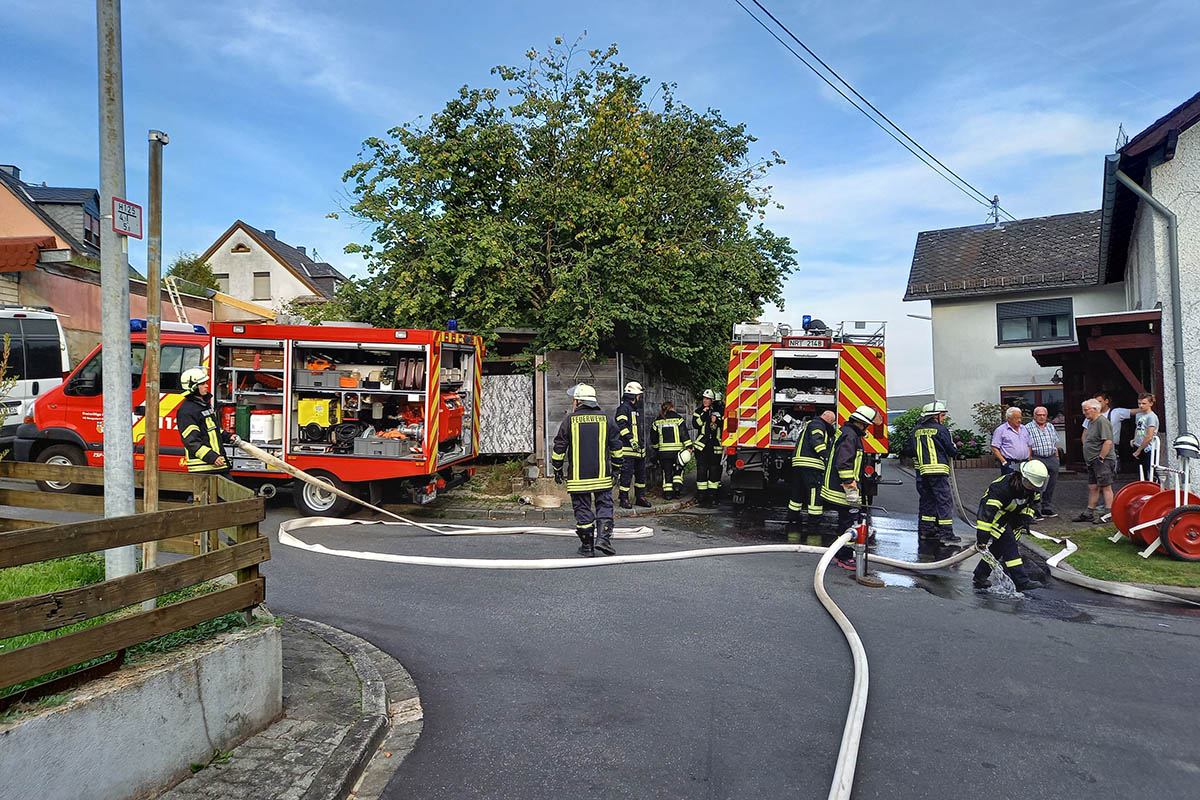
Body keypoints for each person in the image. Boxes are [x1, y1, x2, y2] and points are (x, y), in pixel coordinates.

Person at [552, 384, 625, 556]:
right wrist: (617, 468)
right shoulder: (607, 419)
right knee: (605, 505)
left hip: (578, 478)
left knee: (582, 509)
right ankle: (603, 540)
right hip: (602, 477)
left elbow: (559, 448)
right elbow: (617, 447)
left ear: (578, 401)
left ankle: (587, 547)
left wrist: (557, 469)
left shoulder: (569, 420)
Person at [973, 460, 1049, 592]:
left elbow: (1034, 504)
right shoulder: (1001, 488)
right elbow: (987, 514)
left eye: (1034, 485)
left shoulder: (1033, 488)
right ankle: (1021, 581)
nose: (1031, 487)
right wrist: (982, 537)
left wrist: (1026, 516)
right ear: (1021, 476)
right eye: (1029, 483)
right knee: (1010, 545)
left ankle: (980, 575)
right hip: (997, 517)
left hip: (1012, 518)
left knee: (998, 549)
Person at [820, 405, 879, 569]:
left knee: (847, 523)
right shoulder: (850, 436)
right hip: (842, 491)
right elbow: (844, 463)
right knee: (848, 524)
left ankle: (843, 554)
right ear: (863, 423)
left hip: (840, 489)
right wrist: (850, 489)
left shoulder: (847, 432)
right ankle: (844, 557)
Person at [909, 400, 961, 544]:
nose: (944, 419)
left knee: (927, 501)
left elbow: (910, 450)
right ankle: (946, 533)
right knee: (944, 501)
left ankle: (927, 530)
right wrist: (955, 448)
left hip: (922, 473)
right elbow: (951, 450)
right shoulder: (941, 430)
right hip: (938, 472)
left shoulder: (915, 431)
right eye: (942, 415)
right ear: (935, 416)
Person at [177, 367, 239, 475]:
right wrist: (211, 456)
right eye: (202, 384)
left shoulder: (203, 405)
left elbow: (211, 430)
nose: (206, 386)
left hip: (217, 466)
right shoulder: (187, 411)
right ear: (193, 387)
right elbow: (191, 441)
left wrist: (227, 436)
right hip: (204, 468)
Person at [787, 409, 835, 542]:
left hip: (799, 463)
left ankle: (793, 517)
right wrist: (826, 456)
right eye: (832, 422)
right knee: (814, 492)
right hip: (811, 464)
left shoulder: (811, 424)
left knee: (797, 491)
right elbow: (816, 440)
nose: (832, 424)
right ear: (827, 418)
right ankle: (813, 522)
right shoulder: (818, 424)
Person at [1074, 399, 1115, 524]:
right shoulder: (1091, 422)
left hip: (1102, 460)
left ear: (1095, 409)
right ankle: (1089, 512)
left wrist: (1101, 457)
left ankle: (1109, 513)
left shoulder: (1102, 421)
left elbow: (1107, 441)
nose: (1084, 412)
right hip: (1092, 460)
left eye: (1086, 410)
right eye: (1083, 410)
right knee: (1093, 486)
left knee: (1105, 486)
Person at [614, 381, 650, 509]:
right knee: (626, 475)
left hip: (638, 450)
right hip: (628, 450)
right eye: (638, 395)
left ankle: (640, 497)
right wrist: (630, 438)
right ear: (633, 396)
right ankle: (624, 499)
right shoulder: (623, 408)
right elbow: (620, 424)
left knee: (641, 475)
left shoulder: (635, 410)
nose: (639, 398)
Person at [1024, 406, 1061, 518]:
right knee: (1036, 484)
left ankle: (1046, 507)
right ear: (1034, 416)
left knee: (1051, 484)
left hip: (1051, 457)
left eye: (1044, 415)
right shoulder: (1028, 428)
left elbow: (1055, 442)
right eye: (1039, 415)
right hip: (1037, 458)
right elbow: (1027, 444)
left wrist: (1057, 457)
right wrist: (1029, 458)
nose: (1041, 417)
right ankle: (1035, 509)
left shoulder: (1050, 426)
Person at [650, 400, 691, 500]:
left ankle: (668, 494)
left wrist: (656, 449)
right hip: (677, 452)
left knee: (667, 472)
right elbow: (684, 434)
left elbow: (653, 437)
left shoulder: (657, 421)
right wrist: (689, 447)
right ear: (672, 407)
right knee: (678, 471)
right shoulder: (678, 419)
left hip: (663, 452)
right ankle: (677, 490)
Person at [692, 389, 724, 507]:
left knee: (714, 473)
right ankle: (701, 496)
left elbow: (725, 425)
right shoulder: (698, 411)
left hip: (715, 447)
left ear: (712, 401)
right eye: (704, 398)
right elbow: (696, 424)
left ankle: (713, 497)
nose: (705, 400)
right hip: (702, 447)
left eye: (707, 399)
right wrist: (705, 413)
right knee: (701, 472)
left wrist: (717, 420)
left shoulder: (719, 411)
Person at [990, 407, 1031, 474]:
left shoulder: (1024, 429)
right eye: (1016, 418)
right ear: (1009, 419)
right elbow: (994, 447)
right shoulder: (1001, 430)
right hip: (1010, 464)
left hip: (1024, 463)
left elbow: (1029, 444)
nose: (1019, 420)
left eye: (1020, 418)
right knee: (1010, 483)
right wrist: (1003, 461)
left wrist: (1029, 458)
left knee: (1025, 483)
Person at [1131, 392, 1160, 481]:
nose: (1141, 406)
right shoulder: (1138, 415)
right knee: (1140, 472)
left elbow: (1149, 436)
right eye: (1139, 403)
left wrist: (1139, 450)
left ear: (1150, 404)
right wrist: (1134, 439)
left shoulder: (1151, 417)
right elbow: (1138, 428)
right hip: (1138, 444)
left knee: (1151, 471)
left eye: (1144, 403)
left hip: (1148, 448)